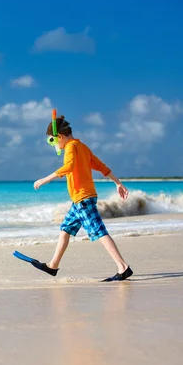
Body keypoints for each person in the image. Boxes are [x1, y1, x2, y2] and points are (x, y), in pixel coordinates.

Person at [33, 114, 133, 282]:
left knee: (99, 231)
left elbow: (69, 166)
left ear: (60, 137)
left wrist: (45, 179)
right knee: (65, 229)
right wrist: (118, 183)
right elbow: (102, 167)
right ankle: (53, 265)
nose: (54, 145)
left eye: (52, 141)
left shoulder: (71, 147)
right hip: (80, 200)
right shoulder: (83, 147)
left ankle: (123, 267)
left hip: (83, 199)